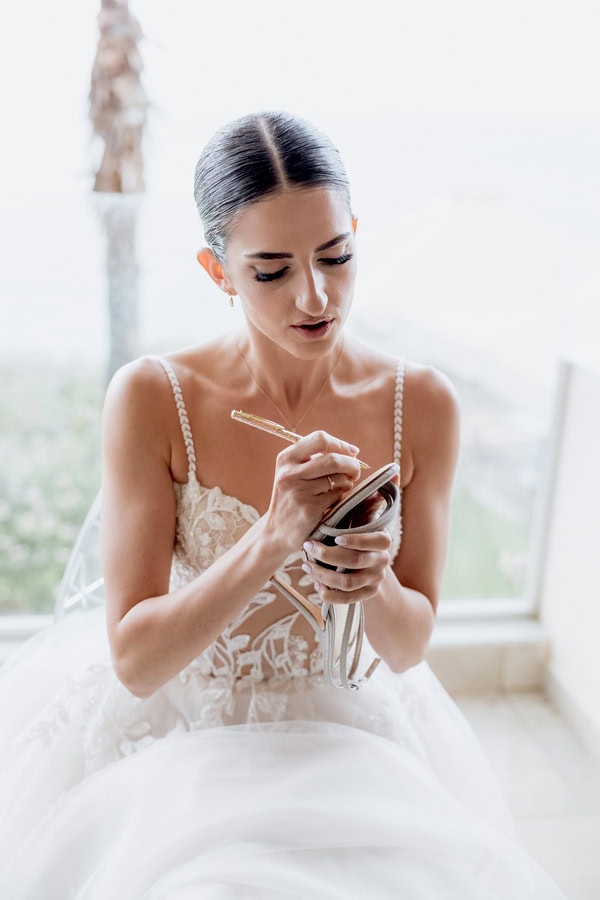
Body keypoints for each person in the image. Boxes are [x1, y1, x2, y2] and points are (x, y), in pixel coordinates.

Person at [0, 110, 565, 898]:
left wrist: (368, 580)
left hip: (350, 733)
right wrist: (271, 538)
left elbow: (404, 651)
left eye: (337, 256)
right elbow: (134, 661)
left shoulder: (421, 403)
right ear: (216, 270)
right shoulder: (153, 398)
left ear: (357, 235)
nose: (315, 295)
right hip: (185, 742)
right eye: (271, 270)